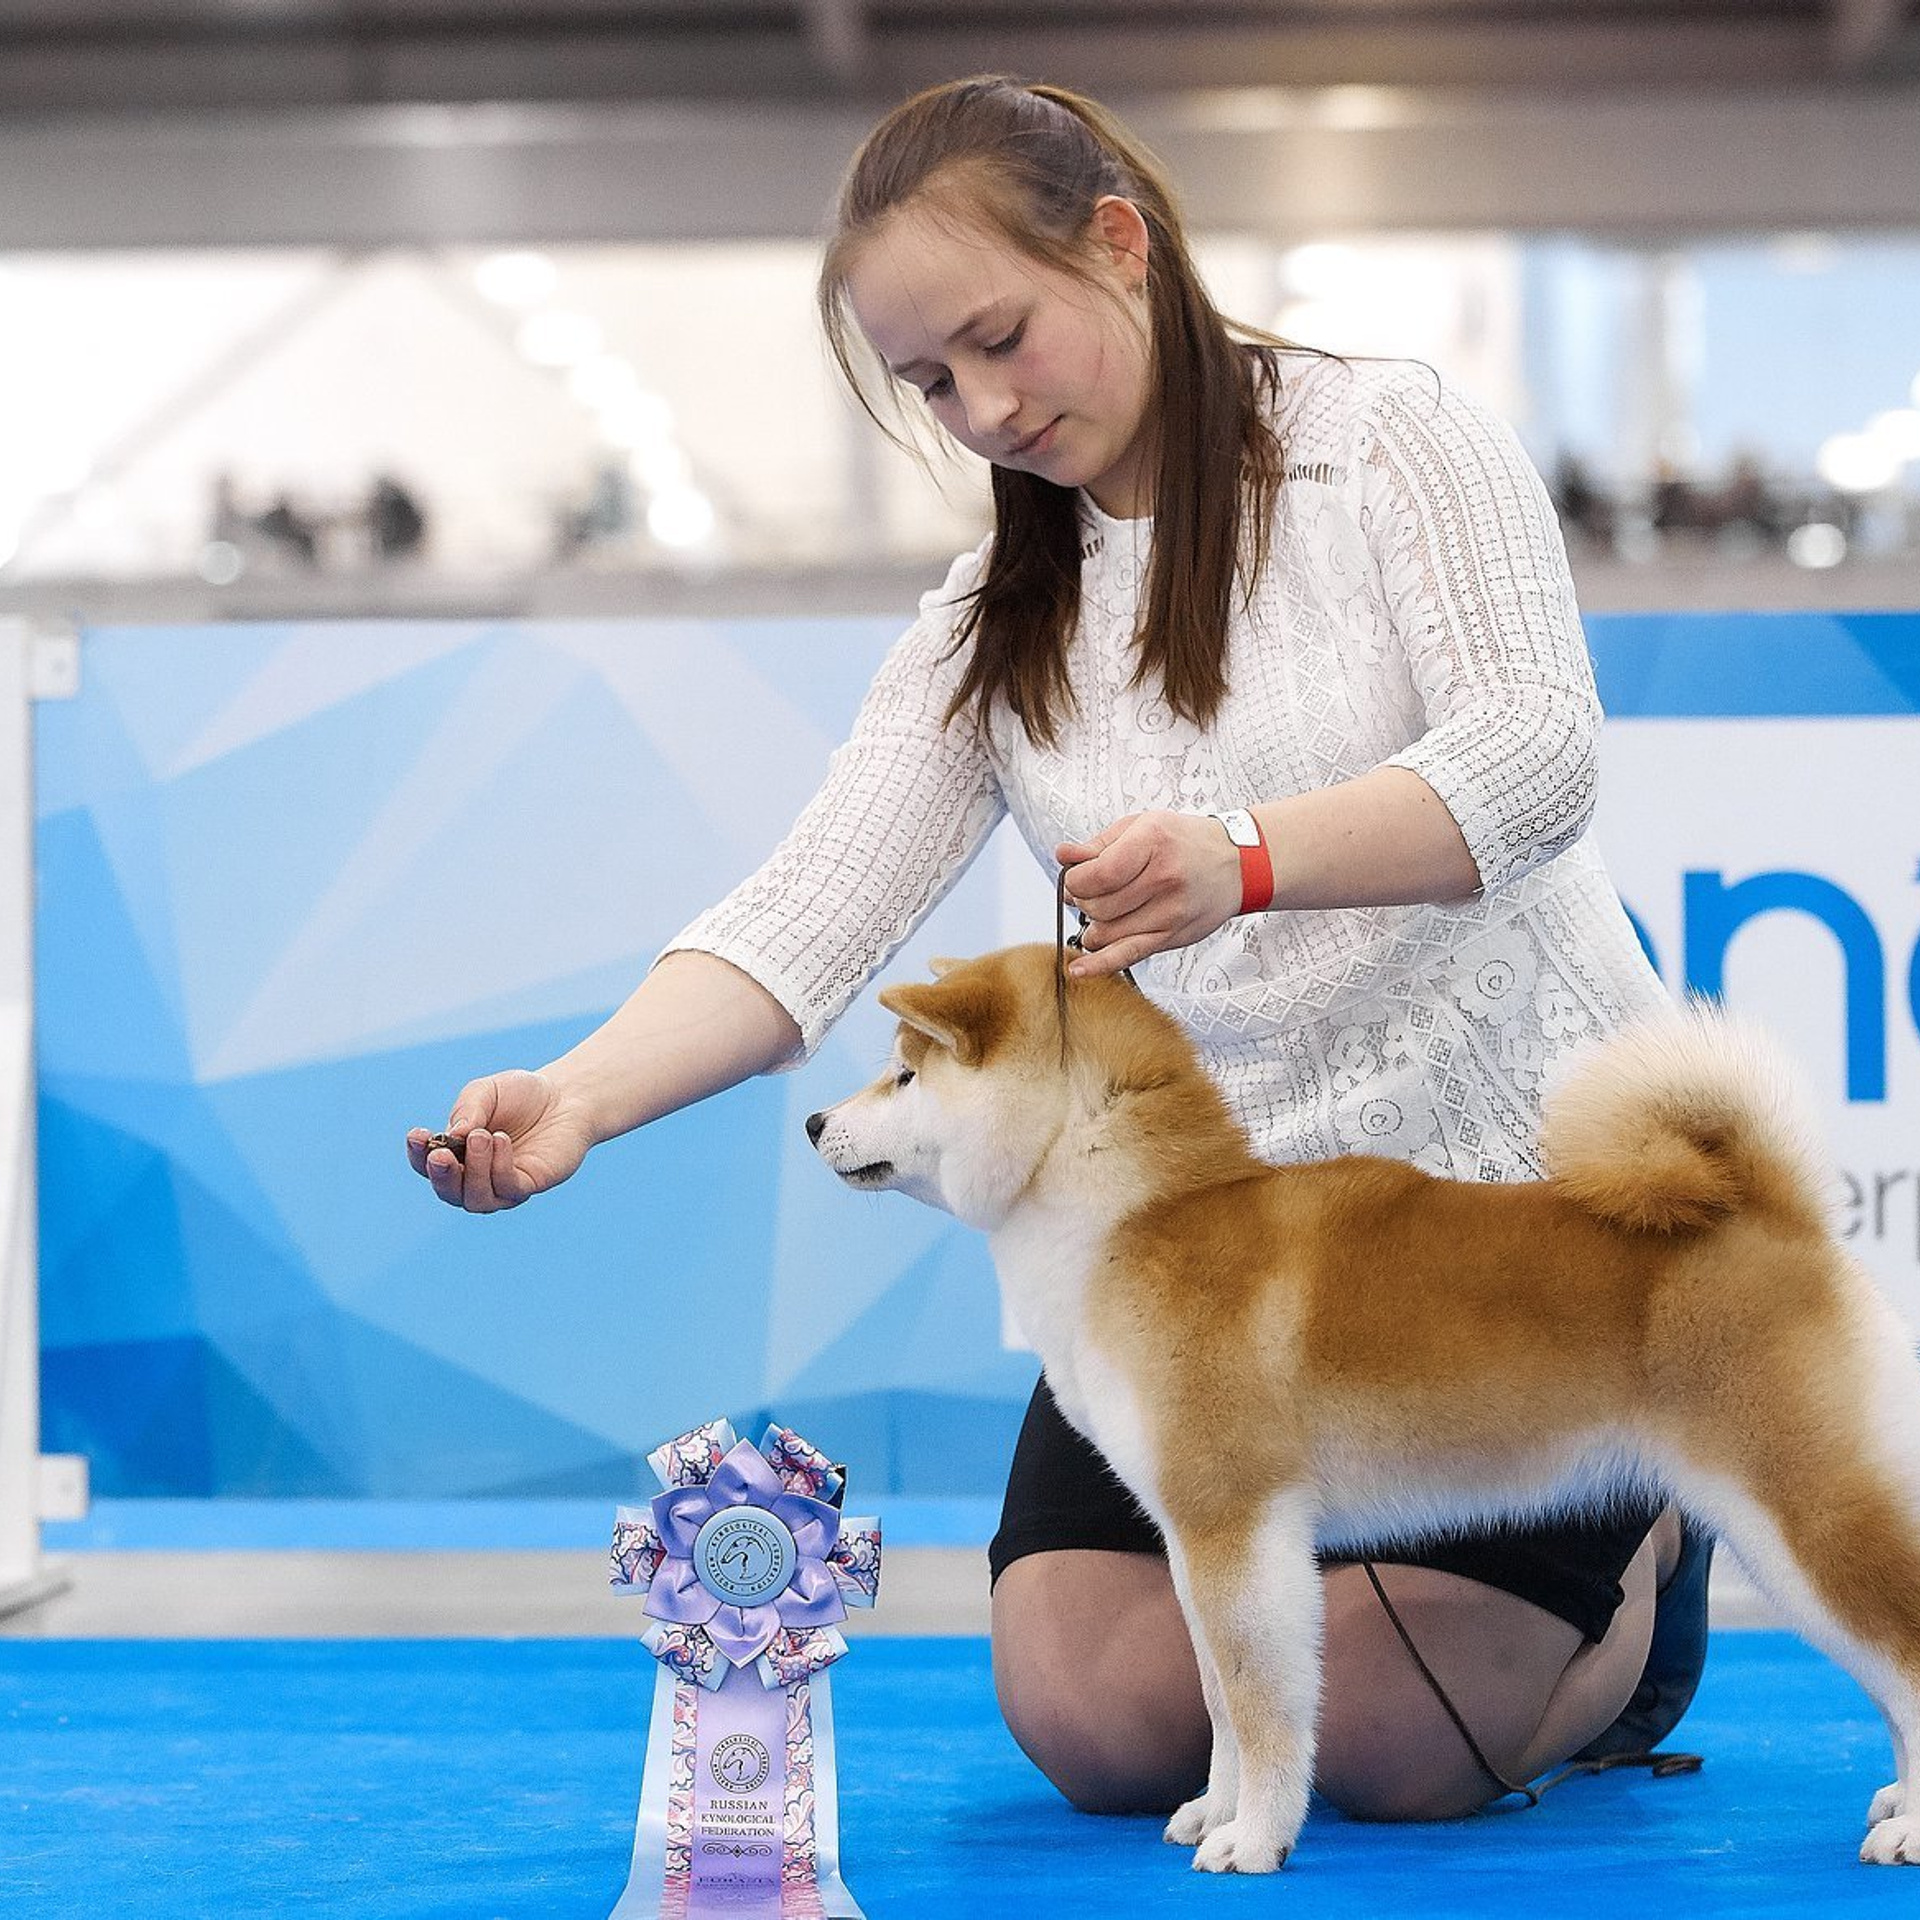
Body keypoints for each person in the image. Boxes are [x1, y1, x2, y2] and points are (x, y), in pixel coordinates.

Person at [408, 75, 1710, 1826]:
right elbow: (811, 910)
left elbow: (1539, 755)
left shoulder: (1393, 439)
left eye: (1001, 337)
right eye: (933, 383)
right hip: (1202, 1244)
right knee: (1096, 1725)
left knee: (1386, 1747)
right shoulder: (990, 619)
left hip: (1506, 1211)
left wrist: (1247, 859)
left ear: (1119, 242)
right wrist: (576, 1097)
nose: (987, 407)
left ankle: (1649, 1551)